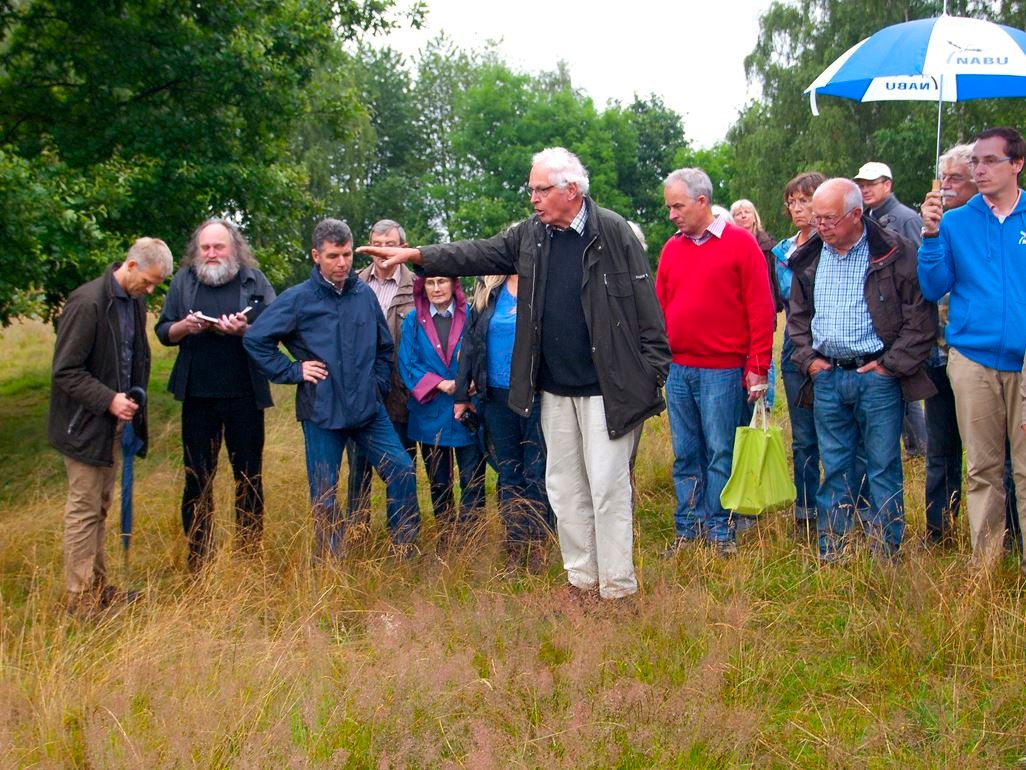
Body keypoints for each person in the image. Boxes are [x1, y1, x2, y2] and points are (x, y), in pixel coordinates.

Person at [357, 146, 670, 601]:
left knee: (607, 488)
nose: (534, 199)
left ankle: (618, 589)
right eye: (531, 190)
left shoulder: (613, 232)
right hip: (554, 391)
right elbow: (476, 254)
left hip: (608, 390)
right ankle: (582, 581)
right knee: (564, 490)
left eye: (541, 190)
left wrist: (650, 376)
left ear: (572, 189)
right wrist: (417, 255)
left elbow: (647, 311)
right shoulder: (532, 236)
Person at [243, 218, 420, 559]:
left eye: (347, 255)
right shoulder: (299, 300)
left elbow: (384, 349)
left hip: (368, 410)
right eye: (333, 256)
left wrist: (378, 385)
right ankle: (331, 560)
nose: (342, 263)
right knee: (325, 492)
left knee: (401, 469)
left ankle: (405, 549)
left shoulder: (364, 295)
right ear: (316, 256)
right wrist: (293, 370)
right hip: (322, 411)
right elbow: (256, 339)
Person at [789, 178, 935, 562]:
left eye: (829, 218)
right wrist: (810, 360)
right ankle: (833, 550)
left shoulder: (894, 252)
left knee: (883, 466)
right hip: (827, 376)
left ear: (856, 215)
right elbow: (797, 317)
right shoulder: (810, 255)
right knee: (834, 466)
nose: (820, 225)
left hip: (876, 378)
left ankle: (884, 552)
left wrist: (889, 368)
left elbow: (920, 319)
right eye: (817, 217)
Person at [918, 127, 1026, 570]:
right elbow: (933, 285)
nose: (978, 170)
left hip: (1023, 360)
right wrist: (928, 237)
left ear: (1016, 164)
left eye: (989, 162)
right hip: (972, 359)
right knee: (982, 469)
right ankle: (986, 563)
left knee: (1023, 468)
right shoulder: (955, 221)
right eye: (975, 162)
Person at [48, 238, 173, 618]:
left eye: (156, 286)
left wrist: (130, 406)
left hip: (113, 426)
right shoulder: (87, 304)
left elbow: (133, 356)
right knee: (84, 510)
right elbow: (66, 371)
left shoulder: (133, 301)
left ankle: (98, 588)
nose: (150, 291)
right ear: (131, 266)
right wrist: (108, 399)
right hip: (84, 425)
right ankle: (80, 601)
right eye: (148, 282)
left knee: (100, 507)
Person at [658, 169, 776, 555]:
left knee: (720, 451)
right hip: (679, 369)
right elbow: (661, 306)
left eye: (678, 206)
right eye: (670, 207)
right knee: (686, 452)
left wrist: (758, 366)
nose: (672, 214)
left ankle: (721, 529)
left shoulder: (741, 245)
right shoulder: (672, 249)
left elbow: (761, 308)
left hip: (723, 371)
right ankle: (688, 528)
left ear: (702, 202)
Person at [155, 219, 275, 570]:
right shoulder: (183, 281)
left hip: (245, 397)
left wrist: (245, 331)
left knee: (249, 478)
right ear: (197, 250)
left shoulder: (255, 280)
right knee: (197, 479)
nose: (210, 253)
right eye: (205, 247)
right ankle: (198, 559)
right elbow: (164, 330)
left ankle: (249, 555)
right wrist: (183, 327)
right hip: (198, 397)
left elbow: (276, 327)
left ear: (234, 248)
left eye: (218, 247)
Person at [455, 274, 551, 572]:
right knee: (509, 472)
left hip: (535, 394)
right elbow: (469, 346)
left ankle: (538, 546)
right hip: (495, 396)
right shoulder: (489, 292)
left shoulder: (543, 285)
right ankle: (515, 543)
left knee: (536, 470)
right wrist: (462, 394)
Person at [398, 274, 486, 550]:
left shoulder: (473, 315)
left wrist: (474, 379)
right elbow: (407, 364)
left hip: (469, 409)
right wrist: (441, 383)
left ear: (453, 284)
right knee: (439, 482)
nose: (436, 288)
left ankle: (472, 540)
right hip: (430, 412)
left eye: (442, 281)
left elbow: (486, 352)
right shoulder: (413, 321)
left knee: (473, 479)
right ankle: (446, 540)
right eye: (430, 283)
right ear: (422, 287)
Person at [853, 161, 928, 457]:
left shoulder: (906, 218)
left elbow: (919, 269)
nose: (865, 189)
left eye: (872, 183)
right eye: (861, 184)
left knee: (905, 383)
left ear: (888, 185)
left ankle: (919, 446)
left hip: (902, 317)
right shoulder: (866, 219)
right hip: (877, 317)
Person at [347, 219, 417, 527]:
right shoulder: (353, 285)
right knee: (358, 470)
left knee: (400, 468)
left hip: (402, 394)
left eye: (389, 244)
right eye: (377, 243)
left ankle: (401, 540)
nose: (382, 250)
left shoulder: (418, 287)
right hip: (360, 395)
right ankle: (358, 535)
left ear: (403, 248)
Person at [771, 171, 826, 534]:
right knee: (804, 436)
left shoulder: (836, 244)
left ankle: (848, 508)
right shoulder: (782, 251)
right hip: (794, 344)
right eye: (791, 201)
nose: (796, 208)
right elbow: (780, 300)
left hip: (832, 343)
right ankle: (806, 511)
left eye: (804, 200)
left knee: (842, 435)